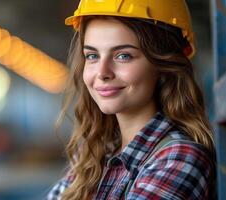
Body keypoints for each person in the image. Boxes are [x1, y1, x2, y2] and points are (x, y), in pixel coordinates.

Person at [47, 0, 216, 199]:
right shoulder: (94, 156)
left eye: (123, 56)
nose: (102, 73)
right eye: (92, 55)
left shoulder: (179, 158)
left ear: (163, 65)